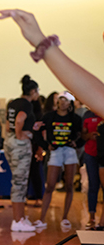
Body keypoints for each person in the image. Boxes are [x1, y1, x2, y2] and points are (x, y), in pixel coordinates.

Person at [0, 8, 104, 230]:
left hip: (65, 152)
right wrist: (39, 40)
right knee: (43, 185)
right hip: (53, 151)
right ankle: (38, 218)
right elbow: (92, 92)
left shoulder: (72, 115)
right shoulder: (46, 113)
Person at [33, 91, 82, 229]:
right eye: (60, 99)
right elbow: (37, 130)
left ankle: (65, 217)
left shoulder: (75, 118)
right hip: (55, 151)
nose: (62, 102)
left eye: (66, 100)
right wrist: (45, 146)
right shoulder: (49, 117)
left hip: (69, 152)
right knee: (50, 185)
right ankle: (42, 218)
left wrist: (76, 144)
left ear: (70, 103)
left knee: (69, 185)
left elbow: (81, 134)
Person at [4, 75, 40, 232]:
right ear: (32, 91)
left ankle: (20, 218)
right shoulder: (27, 104)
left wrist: (15, 134)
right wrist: (20, 135)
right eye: (37, 91)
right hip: (20, 145)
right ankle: (17, 220)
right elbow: (19, 120)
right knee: (19, 183)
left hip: (9, 142)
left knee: (18, 181)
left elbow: (7, 124)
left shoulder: (13, 102)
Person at [81, 109, 102, 229]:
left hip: (102, 154)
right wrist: (89, 135)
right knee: (93, 185)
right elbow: (83, 134)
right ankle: (92, 217)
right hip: (90, 153)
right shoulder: (87, 114)